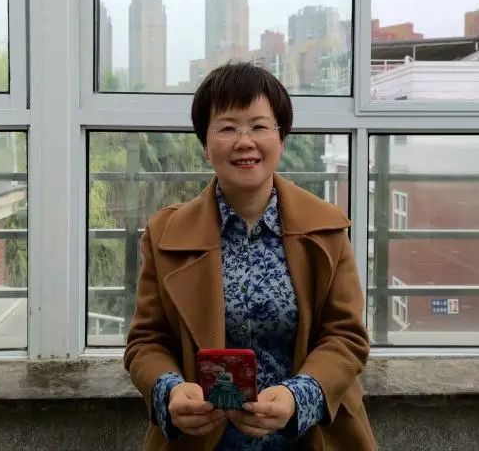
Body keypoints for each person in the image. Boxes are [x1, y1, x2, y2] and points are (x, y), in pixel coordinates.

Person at [124, 62, 375, 450]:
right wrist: (170, 391)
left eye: (259, 126)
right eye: (227, 128)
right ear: (205, 144)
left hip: (308, 439)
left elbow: (346, 337)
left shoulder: (325, 229)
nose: (244, 142)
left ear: (281, 139)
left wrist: (297, 398)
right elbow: (146, 342)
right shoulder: (166, 234)